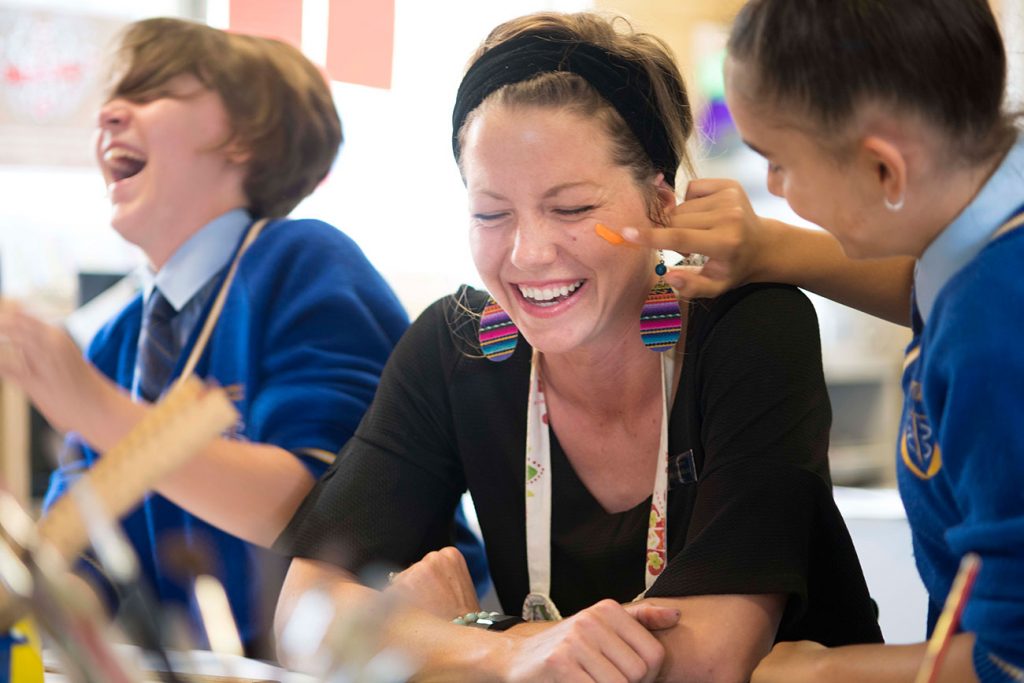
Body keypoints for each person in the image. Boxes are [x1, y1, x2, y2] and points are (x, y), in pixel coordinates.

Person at [274, 11, 885, 682]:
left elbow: (711, 656)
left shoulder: (750, 328)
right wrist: (504, 648)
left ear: (660, 202)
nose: (529, 253)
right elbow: (305, 618)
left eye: (571, 209)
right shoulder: (456, 349)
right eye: (490, 213)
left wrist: (450, 633)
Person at [0, 17, 486, 656]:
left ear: (244, 137)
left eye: (150, 94)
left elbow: (322, 517)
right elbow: (85, 567)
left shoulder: (303, 261)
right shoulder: (116, 341)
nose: (109, 114)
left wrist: (96, 409)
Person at [625, 1, 1023, 680]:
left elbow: (1012, 654)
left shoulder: (994, 338)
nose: (772, 188)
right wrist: (771, 250)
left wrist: (822, 671)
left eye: (778, 163)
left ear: (883, 170)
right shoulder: (984, 220)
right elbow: (930, 280)